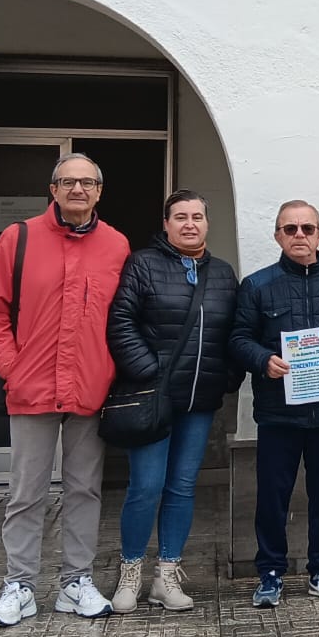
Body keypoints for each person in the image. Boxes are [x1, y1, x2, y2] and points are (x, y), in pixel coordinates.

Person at [0, 153, 131, 628]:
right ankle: (19, 584)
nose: (77, 190)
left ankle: (75, 582)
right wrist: (13, 368)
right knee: (26, 491)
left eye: (87, 183)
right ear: (53, 190)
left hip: (90, 387)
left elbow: (123, 317)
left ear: (99, 192)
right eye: (68, 182)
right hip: (32, 388)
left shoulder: (117, 245)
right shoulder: (17, 239)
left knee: (85, 489)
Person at [232, 201, 319, 605]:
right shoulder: (257, 286)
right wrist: (263, 361)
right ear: (277, 235)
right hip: (279, 413)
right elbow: (238, 339)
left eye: (308, 229)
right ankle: (270, 572)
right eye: (290, 229)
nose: (300, 236)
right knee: (272, 497)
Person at [105, 189, 242, 613]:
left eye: (197, 216)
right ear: (166, 224)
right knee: (145, 487)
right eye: (180, 216)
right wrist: (150, 370)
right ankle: (130, 574)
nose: (189, 224)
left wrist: (227, 378)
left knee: (182, 488)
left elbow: (233, 333)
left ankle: (167, 575)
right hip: (153, 398)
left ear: (207, 223)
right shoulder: (143, 264)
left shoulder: (222, 273)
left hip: (199, 400)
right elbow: (120, 321)